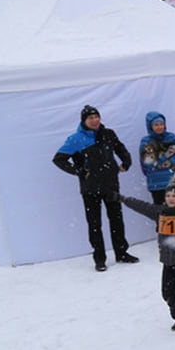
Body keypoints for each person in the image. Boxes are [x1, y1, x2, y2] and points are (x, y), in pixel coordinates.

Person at [52, 105, 137, 271]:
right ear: (84, 121)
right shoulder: (75, 139)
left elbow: (120, 148)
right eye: (90, 118)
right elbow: (59, 159)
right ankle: (99, 259)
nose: (94, 120)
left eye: (96, 116)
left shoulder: (108, 134)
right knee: (95, 224)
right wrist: (79, 171)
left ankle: (121, 253)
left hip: (111, 184)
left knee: (116, 220)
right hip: (90, 189)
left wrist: (126, 162)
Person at [120, 178, 175, 331]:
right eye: (168, 196)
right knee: (168, 292)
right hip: (168, 260)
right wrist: (123, 199)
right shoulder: (161, 212)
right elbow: (142, 206)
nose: (171, 199)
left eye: (174, 196)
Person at [139, 111, 175, 205]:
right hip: (157, 184)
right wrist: (166, 156)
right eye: (156, 125)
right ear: (151, 127)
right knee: (161, 213)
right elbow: (149, 163)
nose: (159, 127)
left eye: (161, 124)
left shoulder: (171, 137)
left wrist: (172, 160)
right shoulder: (146, 141)